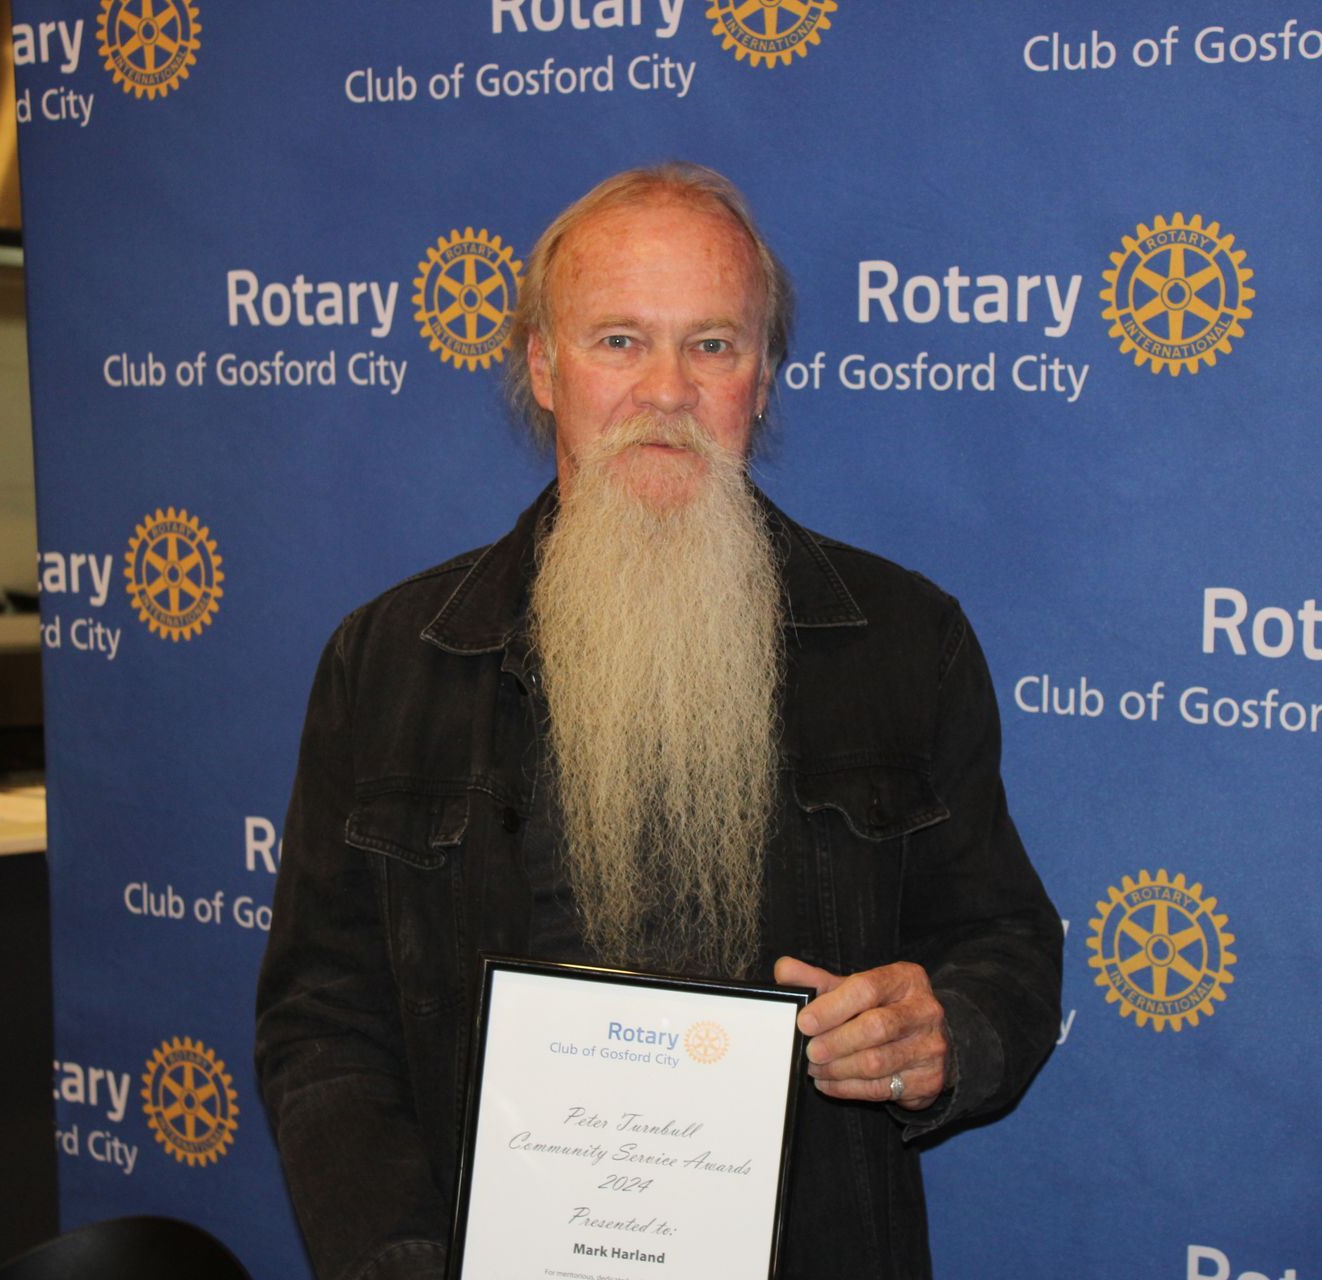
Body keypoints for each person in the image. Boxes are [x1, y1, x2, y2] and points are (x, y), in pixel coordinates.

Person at [255, 162, 1062, 1280]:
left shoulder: (904, 640)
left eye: (714, 345)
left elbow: (1006, 945)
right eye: (619, 340)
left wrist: (948, 1033)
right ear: (543, 364)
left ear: (764, 377)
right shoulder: (388, 661)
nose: (667, 391)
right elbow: (323, 1025)